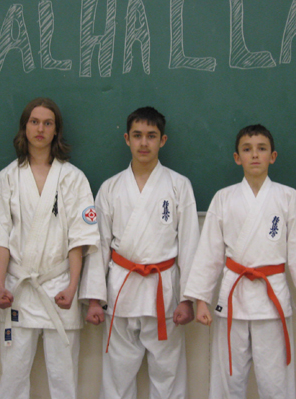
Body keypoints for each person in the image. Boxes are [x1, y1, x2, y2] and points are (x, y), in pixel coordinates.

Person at [184, 124, 296, 399]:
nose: (255, 155)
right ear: (237, 158)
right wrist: (200, 300)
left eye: (262, 149)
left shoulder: (288, 197)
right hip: (233, 299)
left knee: (275, 382)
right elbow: (209, 253)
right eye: (247, 149)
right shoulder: (223, 198)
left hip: (272, 301)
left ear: (273, 156)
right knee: (228, 379)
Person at [79, 106, 200, 399]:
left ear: (163, 140)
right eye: (137, 135)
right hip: (121, 291)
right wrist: (94, 299)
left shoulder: (179, 185)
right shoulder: (110, 188)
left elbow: (190, 244)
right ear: (127, 139)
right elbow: (99, 245)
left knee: (168, 375)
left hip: (165, 293)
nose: (144, 143)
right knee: (117, 376)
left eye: (151, 135)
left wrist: (188, 299)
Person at [0, 97, 99, 399]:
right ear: (25, 127)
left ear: (56, 130)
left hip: (60, 284)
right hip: (18, 288)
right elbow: (0, 239)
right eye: (34, 122)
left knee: (64, 378)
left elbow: (78, 240)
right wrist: (0, 285)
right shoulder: (5, 179)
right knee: (13, 375)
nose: (40, 129)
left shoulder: (73, 179)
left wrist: (73, 287)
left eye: (48, 123)